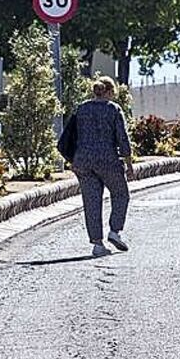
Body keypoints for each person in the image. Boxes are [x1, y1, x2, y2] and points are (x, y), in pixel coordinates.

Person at [72, 76, 134, 257]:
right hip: (107, 160)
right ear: (109, 91)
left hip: (83, 161)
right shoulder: (113, 109)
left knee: (91, 202)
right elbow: (122, 138)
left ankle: (97, 245)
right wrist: (129, 163)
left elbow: (72, 134)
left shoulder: (82, 109)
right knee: (121, 194)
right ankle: (114, 231)